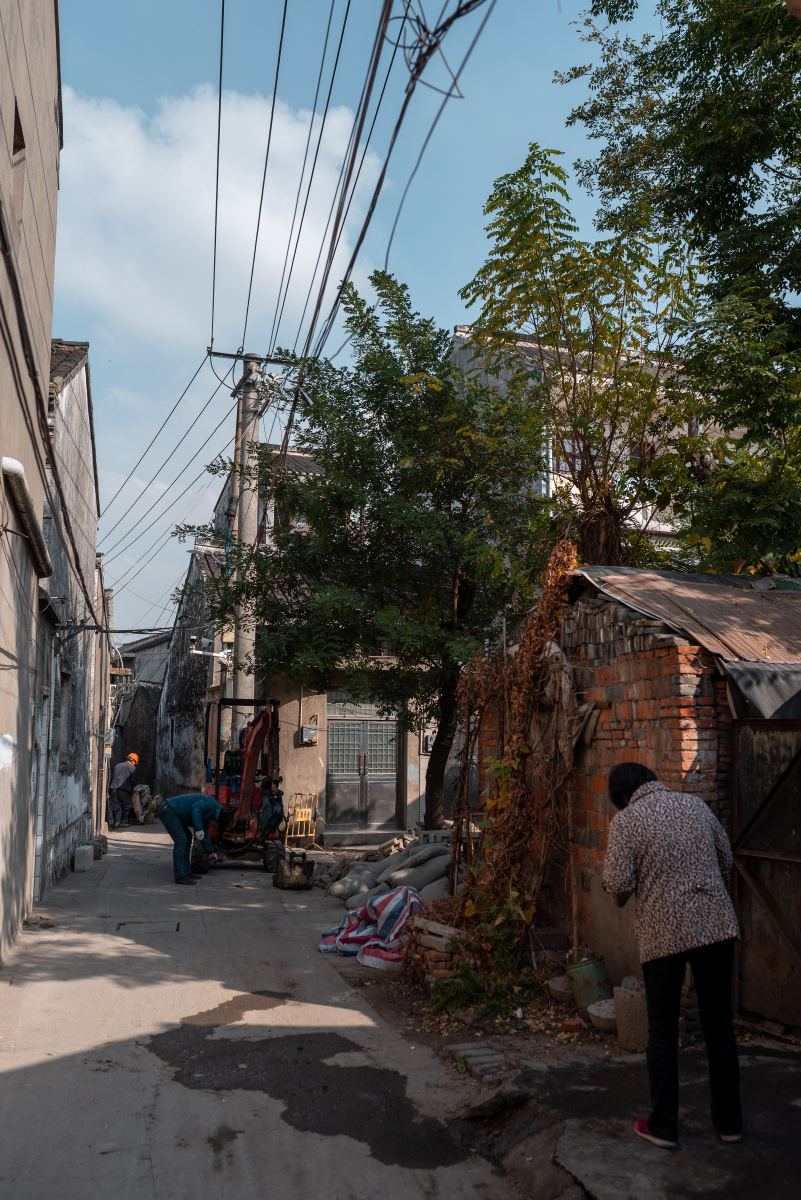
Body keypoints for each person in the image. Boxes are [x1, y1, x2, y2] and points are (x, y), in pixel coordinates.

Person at [603, 762, 742, 1150]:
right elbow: (726, 860)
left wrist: (624, 892)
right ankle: (730, 1124)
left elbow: (618, 884)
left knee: (663, 1030)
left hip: (664, 931)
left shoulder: (626, 821)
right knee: (719, 1028)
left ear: (622, 797)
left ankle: (663, 1126)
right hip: (716, 924)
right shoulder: (696, 805)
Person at [157, 793, 223, 885]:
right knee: (181, 840)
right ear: (217, 818)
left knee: (188, 838)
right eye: (215, 824)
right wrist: (198, 829)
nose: (214, 825)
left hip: (174, 813)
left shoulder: (209, 816)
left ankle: (187, 872)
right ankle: (180, 876)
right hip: (168, 810)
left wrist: (210, 852)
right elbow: (195, 808)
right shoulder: (211, 804)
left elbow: (204, 835)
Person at [108, 753, 138, 828]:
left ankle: (116, 822)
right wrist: (131, 791)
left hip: (113, 788)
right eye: (135, 763)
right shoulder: (132, 768)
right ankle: (123, 822)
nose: (134, 764)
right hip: (124, 790)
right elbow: (132, 781)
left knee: (115, 805)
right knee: (127, 805)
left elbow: (112, 777)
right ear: (133, 761)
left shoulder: (117, 765)